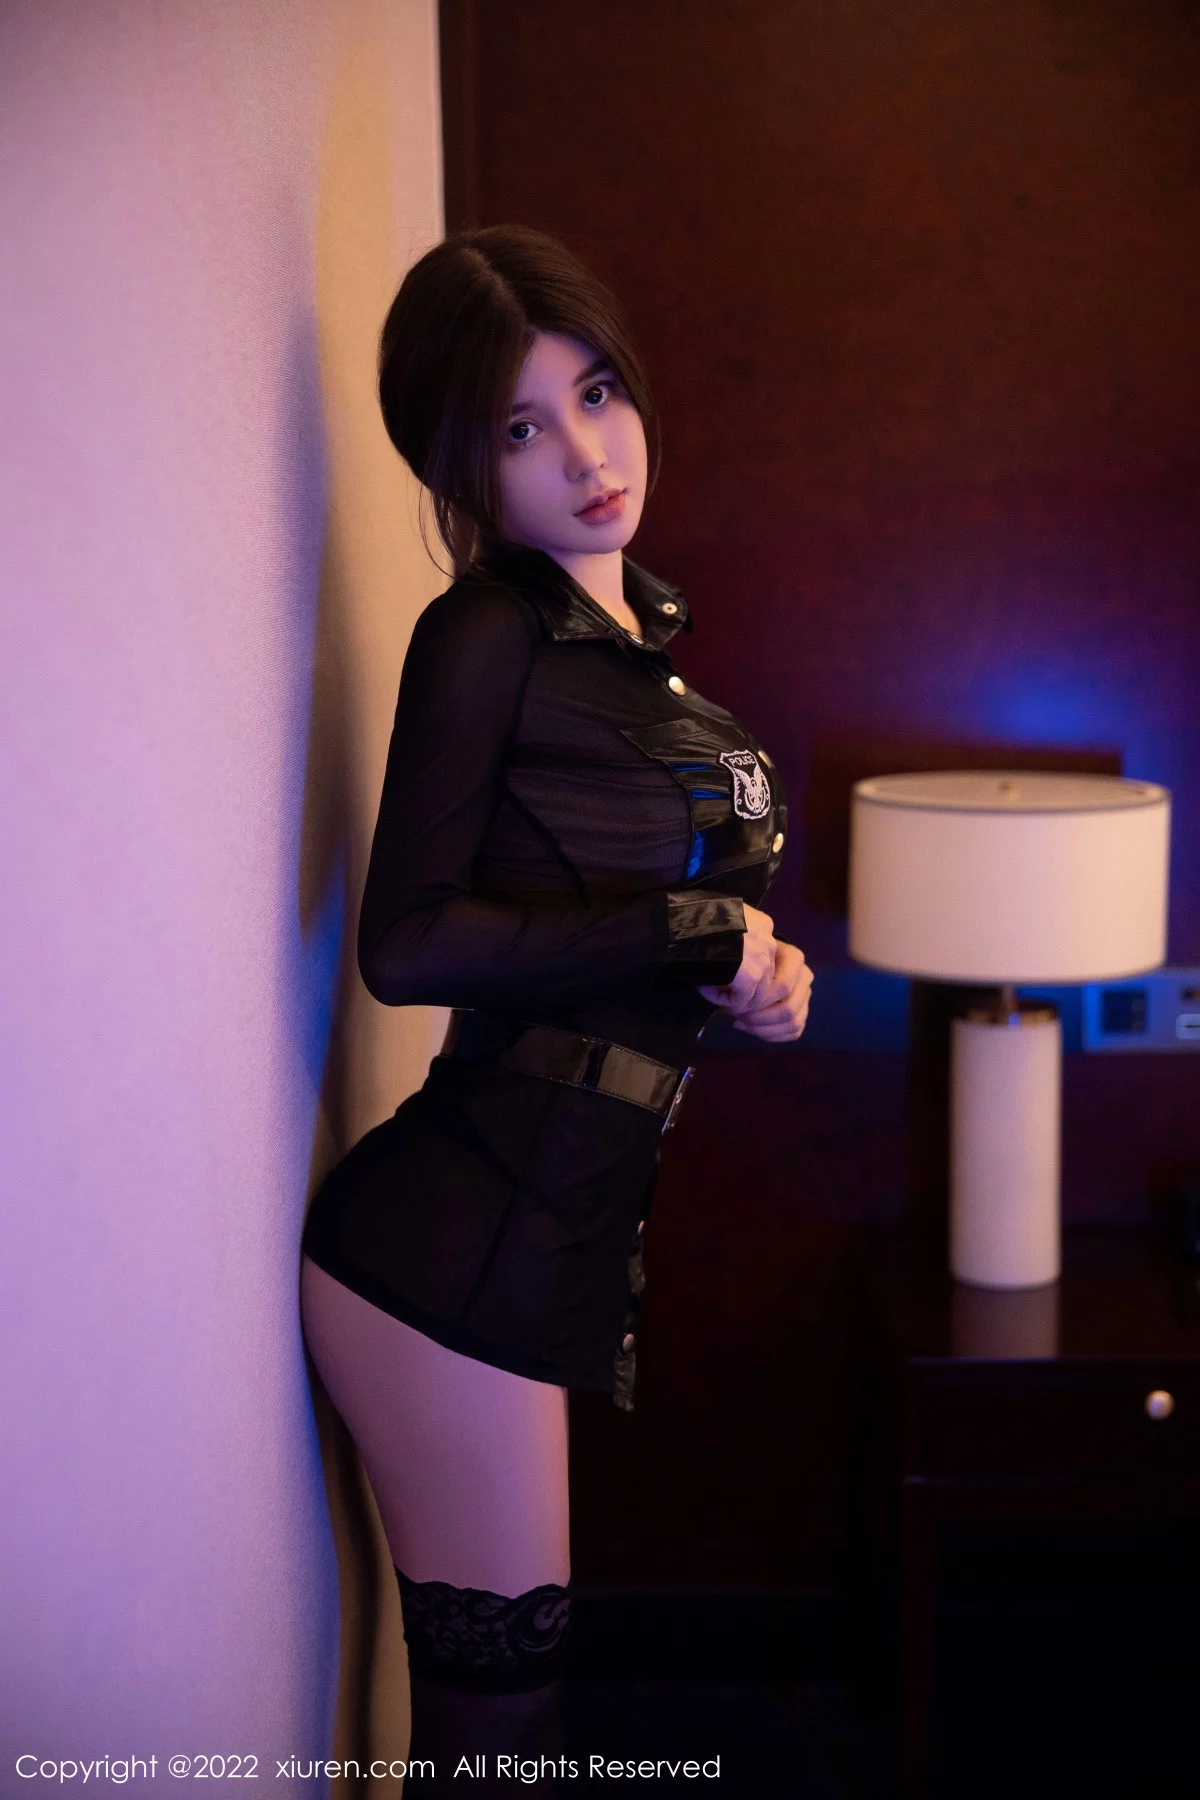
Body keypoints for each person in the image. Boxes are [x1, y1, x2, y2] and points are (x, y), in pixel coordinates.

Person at [298, 225, 812, 1788]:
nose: (588, 455)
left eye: (596, 394)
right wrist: (679, 925)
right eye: (522, 429)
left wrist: (750, 975)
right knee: (500, 1728)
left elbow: (633, 926)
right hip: (455, 1244)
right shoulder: (485, 634)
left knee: (512, 1717)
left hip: (549, 1225)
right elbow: (408, 942)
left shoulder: (638, 640)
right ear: (458, 462)